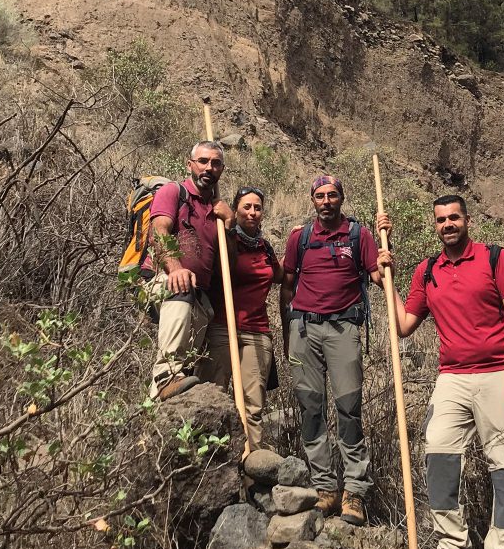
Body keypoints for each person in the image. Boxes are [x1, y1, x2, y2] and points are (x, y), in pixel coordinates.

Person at [377, 194, 504, 549]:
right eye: (441, 220)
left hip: (499, 375)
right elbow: (405, 325)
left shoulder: (495, 258)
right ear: (435, 226)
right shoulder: (427, 271)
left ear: (467, 220)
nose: (448, 224)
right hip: (453, 378)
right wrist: (386, 282)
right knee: (438, 451)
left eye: (454, 218)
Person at [280, 175, 384, 526]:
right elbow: (288, 284)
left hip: (343, 329)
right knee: (311, 408)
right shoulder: (300, 237)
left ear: (341, 198)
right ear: (312, 200)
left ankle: (354, 491)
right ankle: (326, 488)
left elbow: (378, 276)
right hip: (304, 329)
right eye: (320, 196)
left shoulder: (360, 235)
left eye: (332, 195)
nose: (326, 201)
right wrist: (287, 331)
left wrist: (386, 259)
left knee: (348, 408)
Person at [143, 141, 233, 401]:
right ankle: (165, 376)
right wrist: (176, 269)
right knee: (180, 291)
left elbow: (227, 263)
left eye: (215, 163)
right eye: (203, 161)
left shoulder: (217, 210)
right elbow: (158, 232)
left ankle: (160, 407)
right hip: (164, 281)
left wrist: (228, 223)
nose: (209, 167)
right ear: (189, 164)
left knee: (187, 372)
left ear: (222, 170)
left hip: (199, 296)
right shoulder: (174, 192)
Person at [199, 186, 284, 451]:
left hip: (258, 331)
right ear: (236, 209)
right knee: (212, 399)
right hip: (222, 328)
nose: (252, 212)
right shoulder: (224, 240)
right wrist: (225, 225)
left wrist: (295, 242)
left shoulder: (265, 248)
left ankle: (253, 465)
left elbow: (281, 275)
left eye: (257, 208)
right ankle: (210, 465)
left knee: (253, 406)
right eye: (246, 206)